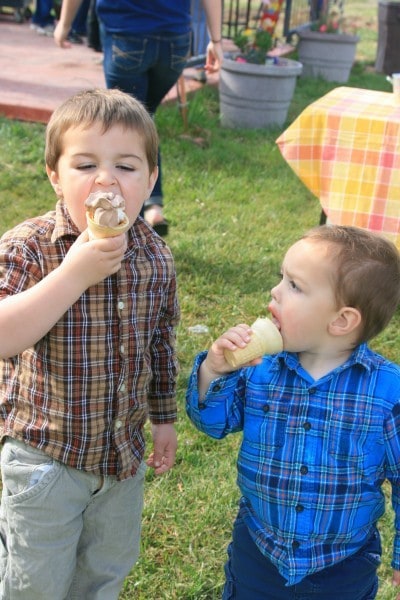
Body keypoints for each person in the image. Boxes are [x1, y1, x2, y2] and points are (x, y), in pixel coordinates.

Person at [0, 88, 180, 599]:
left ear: (150, 180)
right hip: (46, 459)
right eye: (85, 165)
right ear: (55, 177)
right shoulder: (29, 247)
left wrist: (163, 417)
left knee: (105, 572)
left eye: (126, 166)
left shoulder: (155, 257)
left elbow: (161, 343)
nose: (106, 180)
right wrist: (73, 274)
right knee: (35, 581)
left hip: (121, 460)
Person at [186, 225, 400, 600]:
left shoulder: (388, 393)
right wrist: (214, 371)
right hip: (259, 549)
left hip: (343, 563)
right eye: (281, 279)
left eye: (294, 286)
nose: (275, 291)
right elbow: (211, 422)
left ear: (341, 321)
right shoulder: (260, 368)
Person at [54, 0, 223, 236]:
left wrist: (64, 23)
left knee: (131, 128)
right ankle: (153, 206)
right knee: (142, 121)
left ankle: (130, 223)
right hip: (175, 39)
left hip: (128, 31)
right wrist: (216, 40)